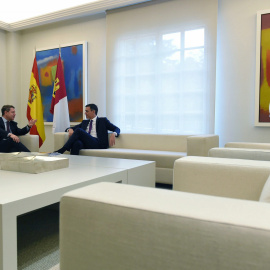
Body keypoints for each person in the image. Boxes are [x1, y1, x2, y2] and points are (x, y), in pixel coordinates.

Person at [55, 103, 120, 155]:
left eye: (87, 111)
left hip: (98, 143)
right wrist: (70, 129)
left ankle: (63, 149)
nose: (85, 113)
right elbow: (70, 128)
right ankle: (73, 164)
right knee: (77, 143)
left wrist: (114, 134)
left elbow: (116, 128)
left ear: (93, 111)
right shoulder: (85, 122)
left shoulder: (103, 121)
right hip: (87, 143)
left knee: (78, 131)